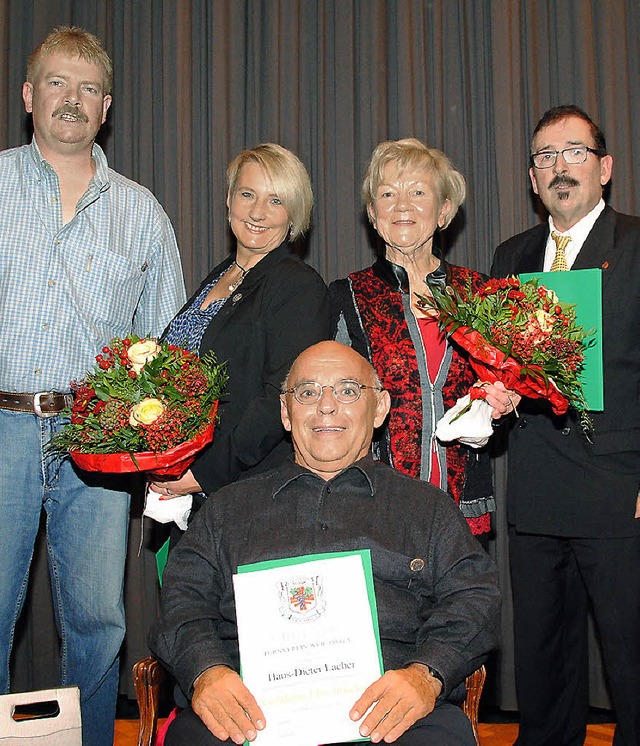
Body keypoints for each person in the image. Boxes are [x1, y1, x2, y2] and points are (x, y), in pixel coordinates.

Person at [149, 340, 501, 745]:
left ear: (381, 407)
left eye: (348, 390)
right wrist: (206, 671)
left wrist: (426, 675)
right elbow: (182, 602)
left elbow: (475, 599)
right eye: (308, 392)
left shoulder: (428, 509)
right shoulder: (226, 509)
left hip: (392, 718)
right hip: (245, 716)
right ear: (285, 412)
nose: (327, 406)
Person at [0, 26, 186, 746]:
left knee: (98, 621)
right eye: (56, 82)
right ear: (28, 95)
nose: (70, 100)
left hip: (97, 440)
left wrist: (158, 449)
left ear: (106, 107)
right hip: (3, 426)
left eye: (86, 88)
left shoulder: (140, 212)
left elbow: (167, 347)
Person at [491, 105, 640, 746]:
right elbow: (497, 362)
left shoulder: (637, 245)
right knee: (544, 665)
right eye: (545, 157)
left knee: (633, 662)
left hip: (619, 491)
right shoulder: (511, 256)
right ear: (531, 177)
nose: (560, 168)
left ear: (604, 168)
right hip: (536, 490)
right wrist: (489, 398)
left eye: (574, 152)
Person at [330, 139, 517, 544]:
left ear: (444, 210)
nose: (402, 205)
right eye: (387, 193)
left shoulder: (481, 292)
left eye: (418, 191)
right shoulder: (346, 296)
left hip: (461, 511)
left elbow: (503, 396)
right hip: (373, 512)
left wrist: (502, 406)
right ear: (372, 215)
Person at [150, 143, 330, 504]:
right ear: (229, 200)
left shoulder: (297, 285)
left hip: (254, 494)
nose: (258, 212)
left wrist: (202, 474)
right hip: (195, 486)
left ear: (294, 215)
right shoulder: (221, 276)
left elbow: (279, 399)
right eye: (248, 194)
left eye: (276, 201)